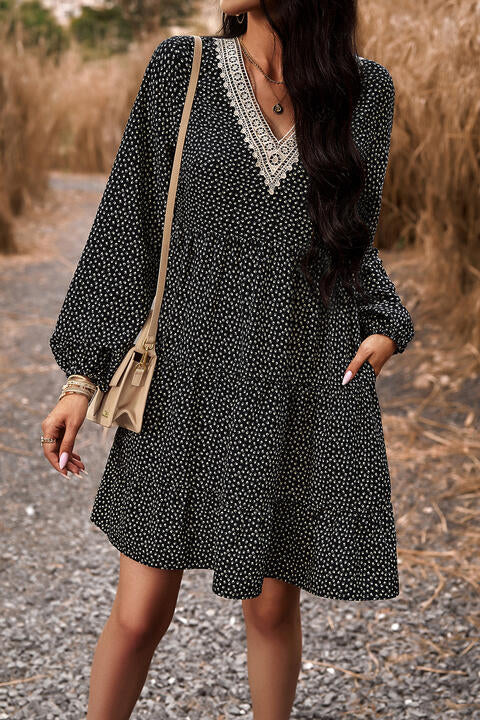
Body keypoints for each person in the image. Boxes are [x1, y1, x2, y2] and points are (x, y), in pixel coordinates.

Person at [41, 1, 415, 718]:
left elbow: (352, 242)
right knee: (141, 611)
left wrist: (387, 323)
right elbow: (129, 226)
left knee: (272, 609)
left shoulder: (363, 92)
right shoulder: (181, 72)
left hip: (293, 375)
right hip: (186, 376)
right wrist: (81, 378)